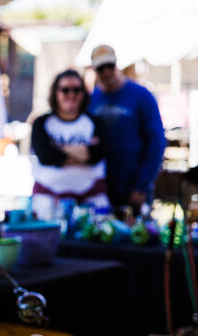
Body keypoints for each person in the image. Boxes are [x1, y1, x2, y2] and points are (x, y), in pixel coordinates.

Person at [88, 44, 166, 212]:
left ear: (116, 64)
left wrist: (142, 185)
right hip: (101, 189)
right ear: (95, 70)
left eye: (110, 66)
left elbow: (157, 141)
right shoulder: (91, 99)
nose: (107, 72)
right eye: (101, 68)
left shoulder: (141, 95)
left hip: (134, 186)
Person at [30, 69, 110, 219]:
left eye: (76, 90)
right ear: (55, 92)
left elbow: (97, 155)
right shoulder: (42, 123)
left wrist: (59, 149)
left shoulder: (95, 122)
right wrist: (83, 154)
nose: (71, 95)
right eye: (65, 90)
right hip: (49, 200)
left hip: (91, 200)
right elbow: (46, 156)